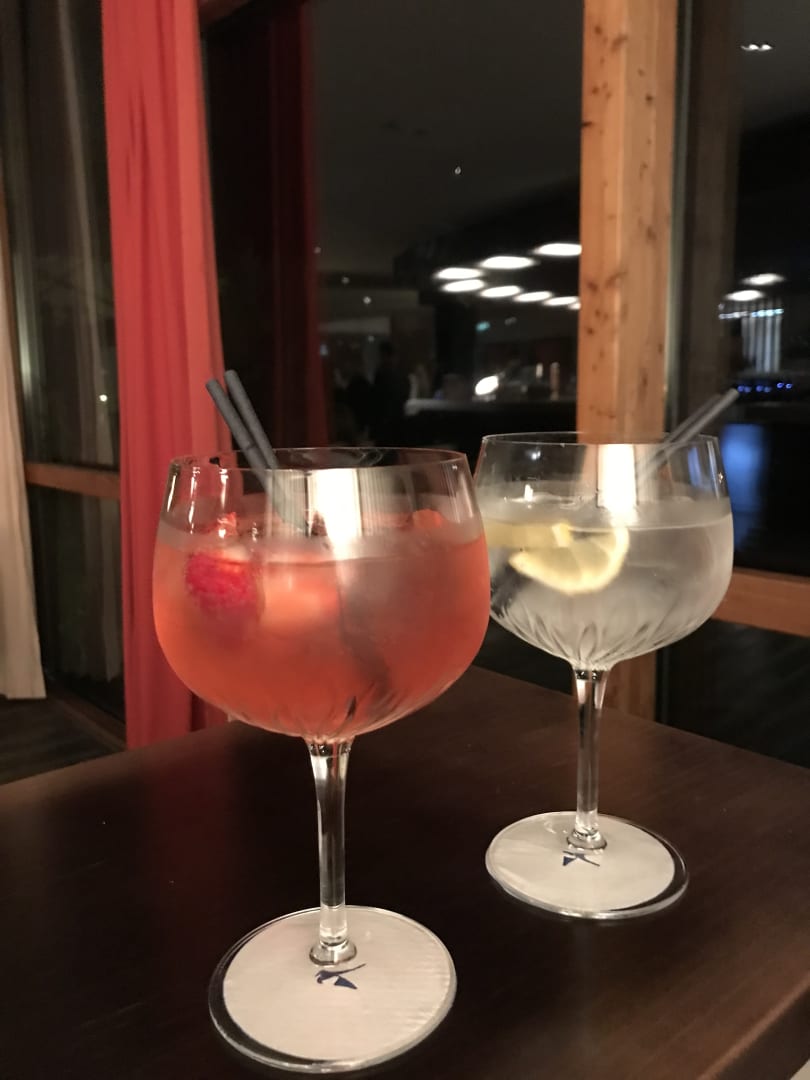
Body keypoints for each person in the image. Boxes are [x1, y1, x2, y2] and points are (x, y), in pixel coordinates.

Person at [370, 342, 410, 443]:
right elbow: (405, 394)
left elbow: (376, 399)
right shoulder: (401, 372)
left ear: (384, 355)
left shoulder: (381, 373)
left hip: (385, 422)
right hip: (398, 419)